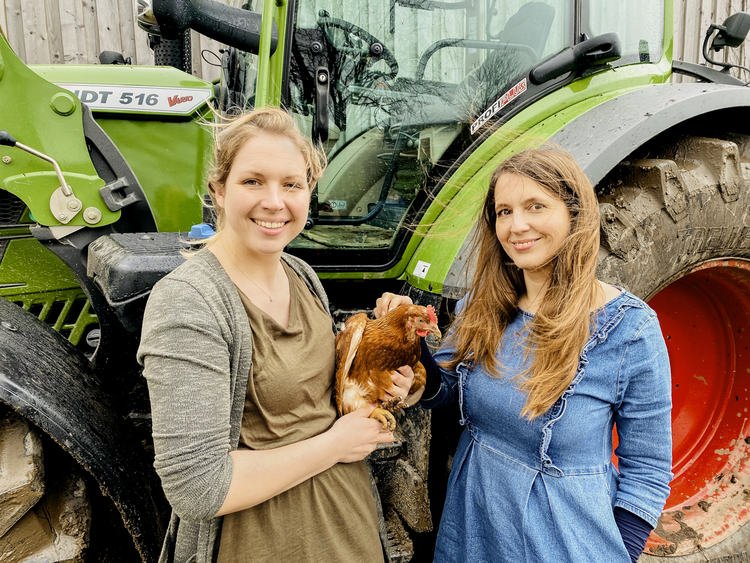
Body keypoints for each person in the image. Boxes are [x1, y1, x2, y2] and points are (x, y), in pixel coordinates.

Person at [375, 146, 673, 563]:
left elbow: (648, 472)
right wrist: (411, 346)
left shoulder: (629, 330)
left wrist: (615, 553)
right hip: (472, 528)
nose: (517, 226)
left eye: (535, 206)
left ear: (575, 214)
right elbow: (449, 391)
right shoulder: (484, 304)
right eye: (504, 211)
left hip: (565, 541)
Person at [137, 107, 405, 563]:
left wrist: (385, 376)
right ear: (218, 191)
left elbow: (320, 398)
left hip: (349, 530)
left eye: (291, 184)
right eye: (252, 181)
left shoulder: (299, 273)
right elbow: (198, 489)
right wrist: (335, 445)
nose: (275, 202)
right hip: (265, 543)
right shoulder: (188, 301)